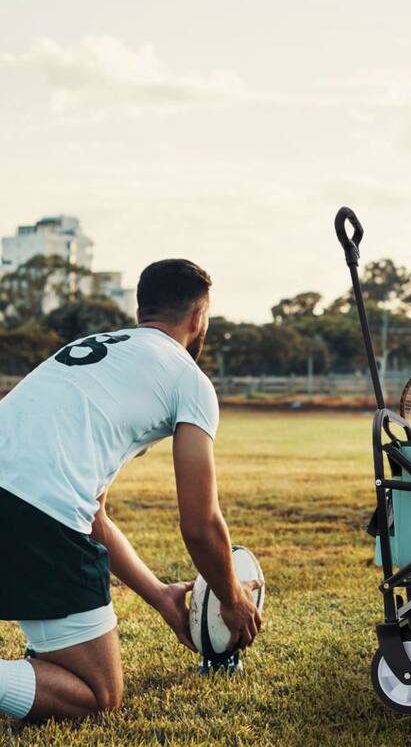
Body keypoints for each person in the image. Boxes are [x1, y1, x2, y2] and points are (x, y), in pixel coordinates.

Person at [0, 259, 262, 721]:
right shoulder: (188, 379)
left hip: (25, 501)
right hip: (35, 512)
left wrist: (161, 595)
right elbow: (200, 525)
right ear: (199, 318)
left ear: (142, 308)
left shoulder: (91, 349)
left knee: (59, 660)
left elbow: (95, 516)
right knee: (97, 695)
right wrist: (233, 597)